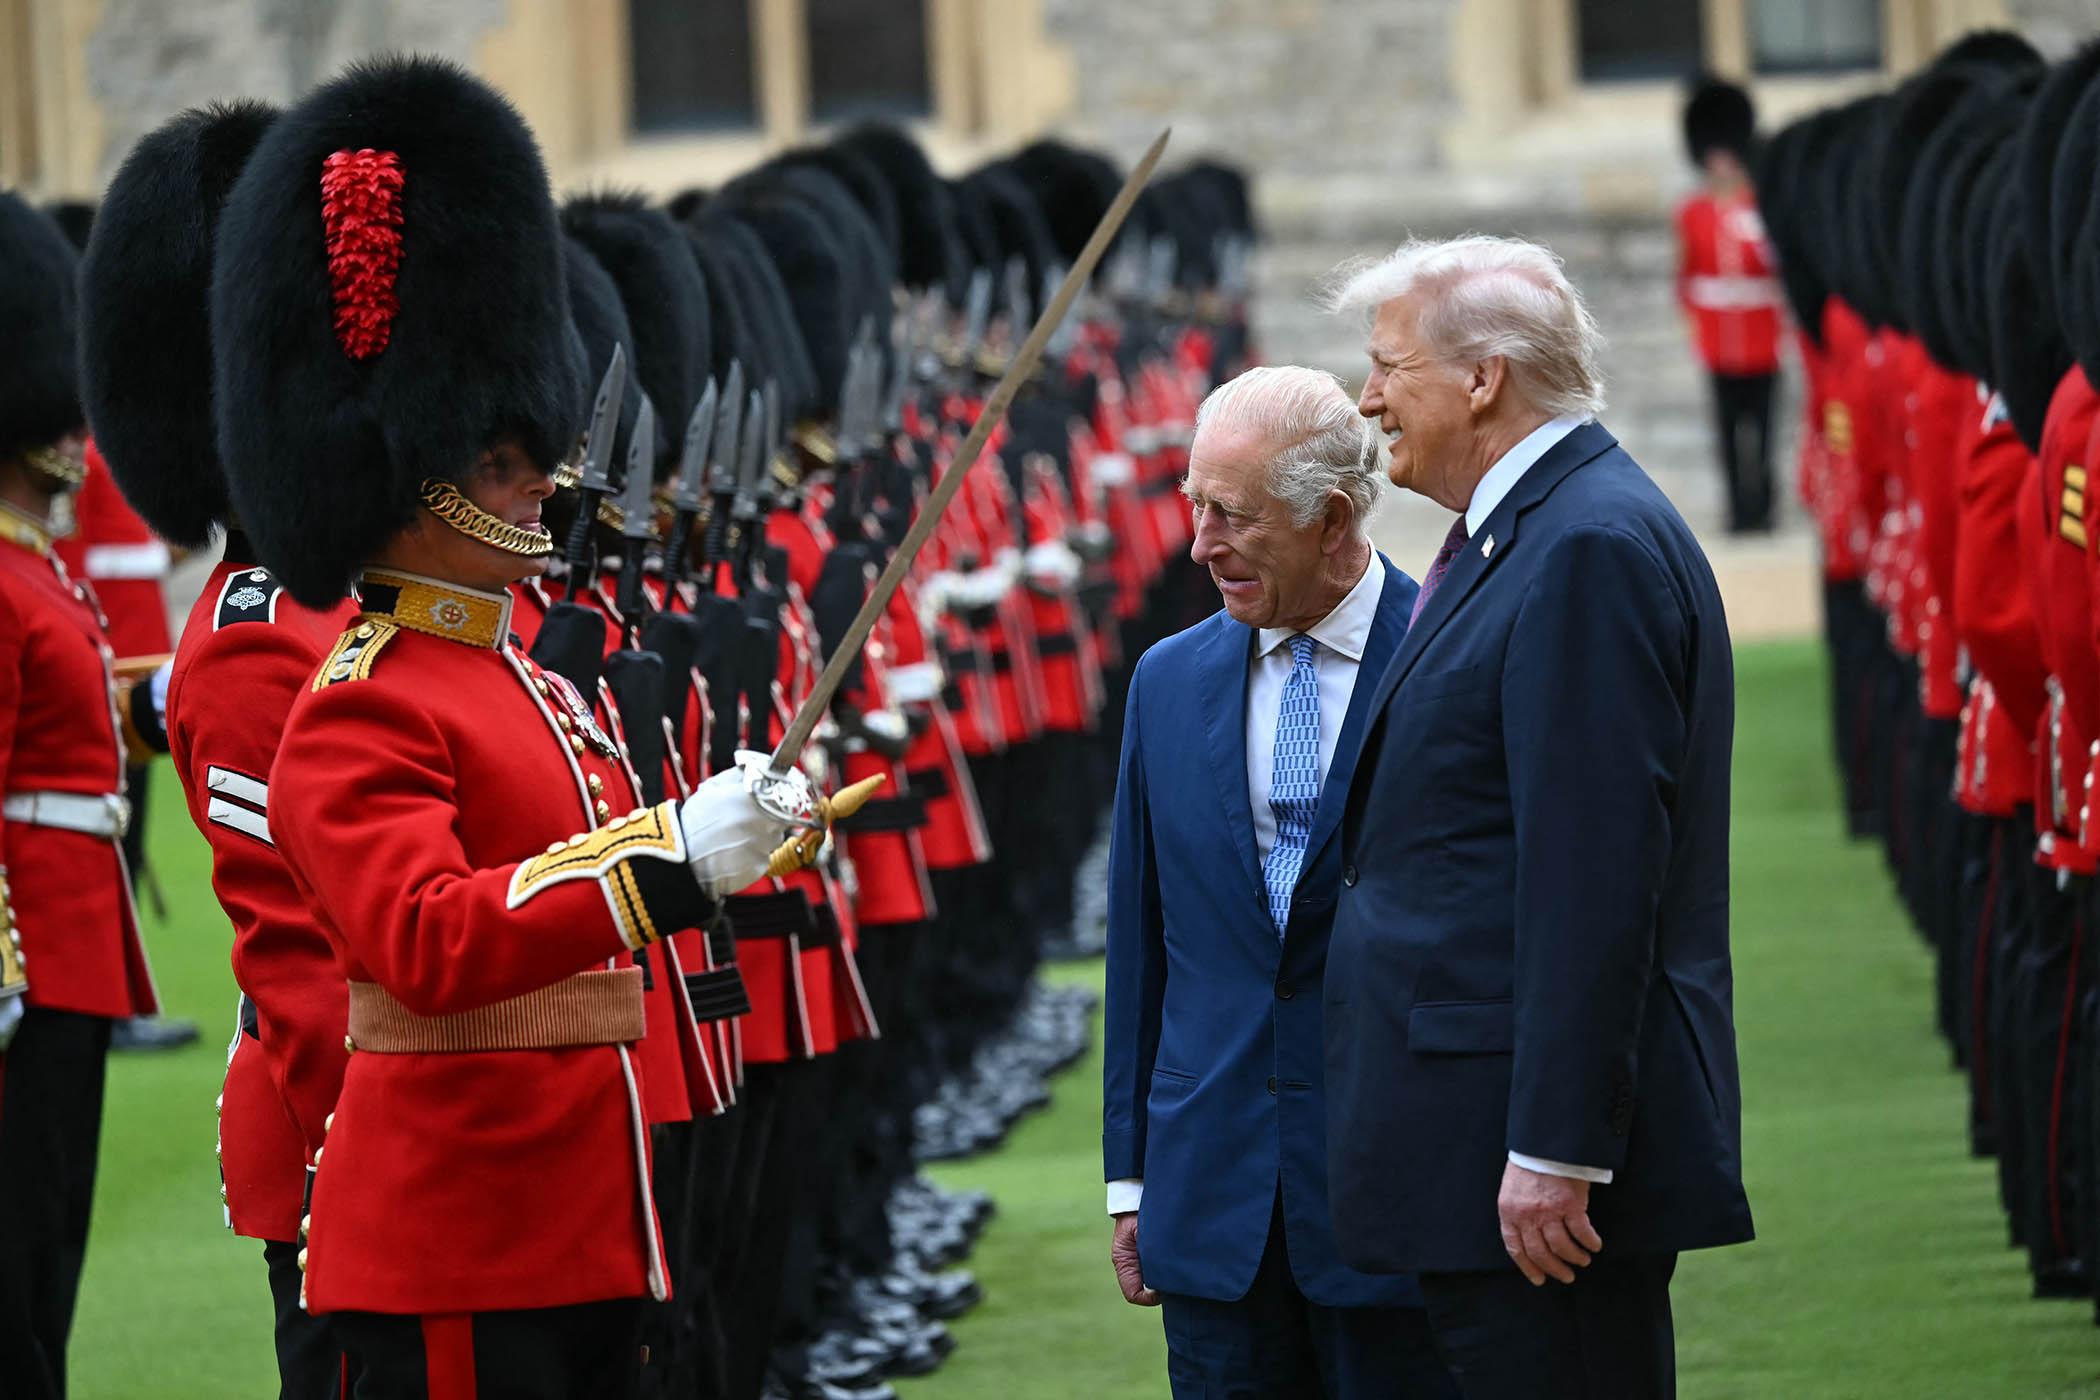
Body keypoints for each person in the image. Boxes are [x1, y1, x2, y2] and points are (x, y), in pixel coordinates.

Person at [208, 56, 822, 1397]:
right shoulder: (363, 705)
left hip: (577, 1218)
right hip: (459, 1234)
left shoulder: (520, 676)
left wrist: (726, 835)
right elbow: (430, 939)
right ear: (409, 479)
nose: (542, 481)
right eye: (500, 463)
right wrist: (671, 860)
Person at [1322, 235, 1753, 1398]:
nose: (1367, 400)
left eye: (1387, 367)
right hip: (1483, 1136)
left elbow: (1593, 874)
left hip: (1532, 1165)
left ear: (1482, 378)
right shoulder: (1534, 533)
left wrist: (1557, 1145)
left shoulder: (1584, 549)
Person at [1102, 364, 1454, 1398]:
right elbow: (1144, 936)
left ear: (1333, 514)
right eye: (1193, 506)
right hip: (1214, 1203)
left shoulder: (1451, 654)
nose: (1200, 543)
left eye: (1234, 515)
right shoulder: (1165, 680)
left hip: (1405, 1196)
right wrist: (1131, 1176)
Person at [0, 190, 163, 1400]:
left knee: (51, 1244)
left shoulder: (33, 562)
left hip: (74, 937)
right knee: (17, 1260)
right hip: (27, 956)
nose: (76, 431)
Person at [1675, 77, 1784, 534]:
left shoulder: (1759, 207)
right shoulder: (1692, 212)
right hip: (1719, 339)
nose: (1721, 165)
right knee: (1727, 432)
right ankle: (1738, 509)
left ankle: (1763, 506)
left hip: (1761, 336)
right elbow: (1688, 276)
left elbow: (1774, 268)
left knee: (1763, 429)